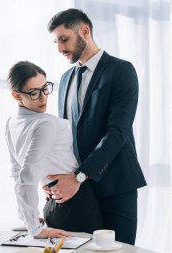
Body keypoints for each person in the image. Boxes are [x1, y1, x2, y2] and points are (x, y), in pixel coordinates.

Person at [46, 9, 147, 245]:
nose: (60, 49)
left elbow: (118, 131)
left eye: (64, 39)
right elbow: (64, 134)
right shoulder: (65, 78)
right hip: (79, 191)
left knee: (120, 251)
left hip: (116, 186)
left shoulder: (121, 71)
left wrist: (79, 176)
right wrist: (52, 180)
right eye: (56, 42)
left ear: (84, 31)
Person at [5, 61, 104, 239]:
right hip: (77, 205)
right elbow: (25, 176)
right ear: (16, 95)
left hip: (52, 205)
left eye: (45, 88)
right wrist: (34, 229)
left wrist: (30, 221)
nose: (43, 98)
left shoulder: (11, 123)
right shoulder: (45, 124)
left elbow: (17, 175)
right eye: (34, 93)